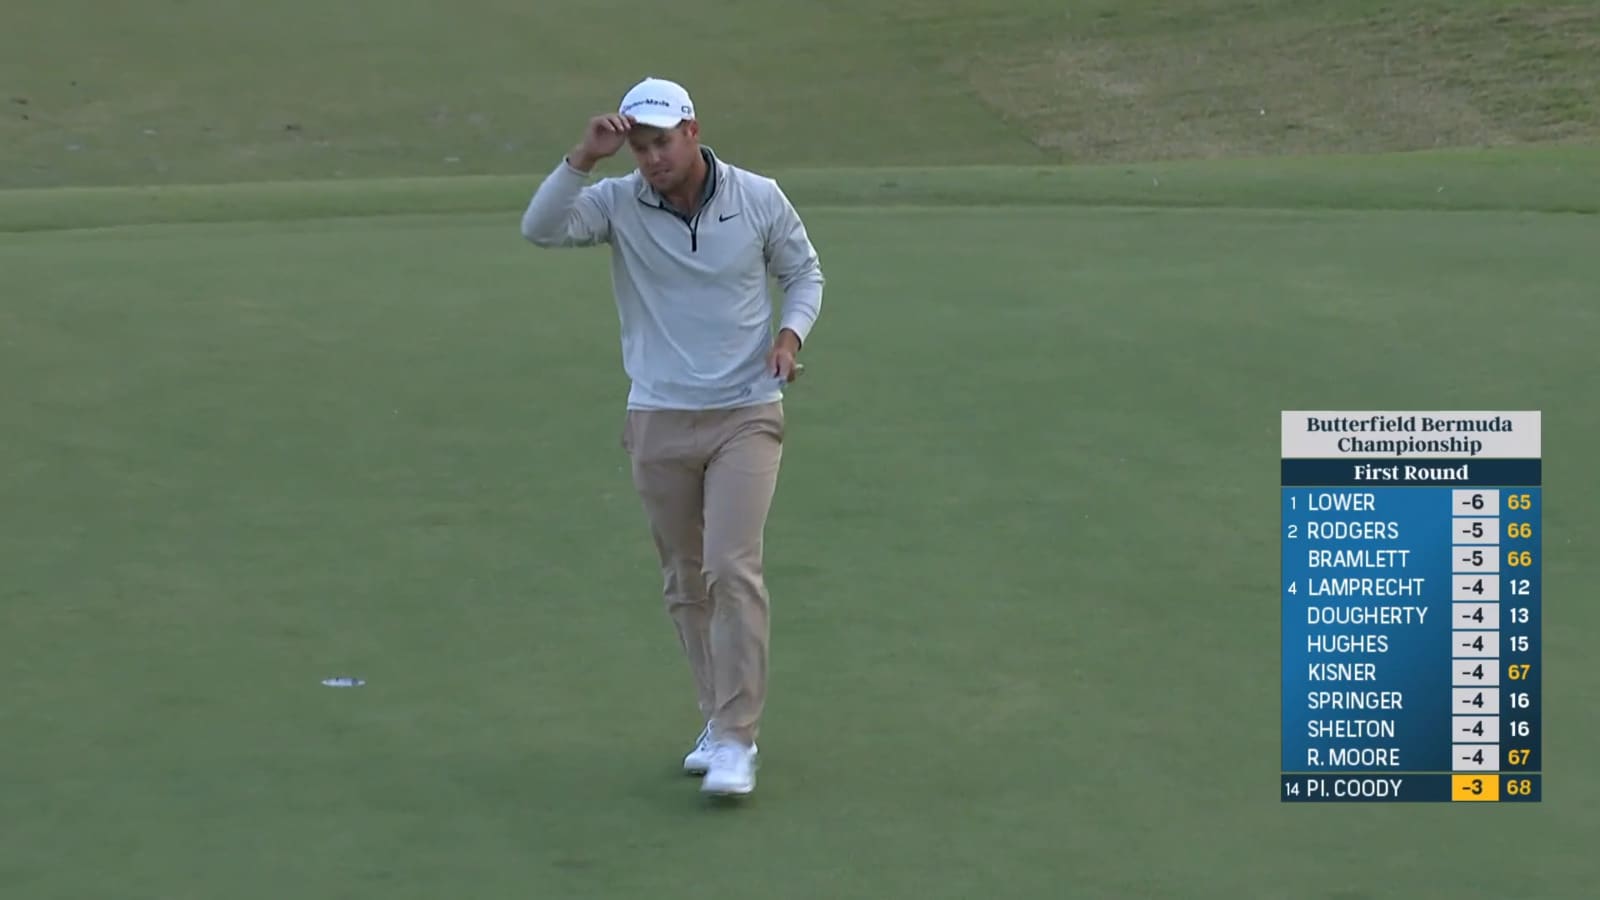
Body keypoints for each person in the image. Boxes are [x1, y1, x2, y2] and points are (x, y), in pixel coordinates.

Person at [519, 76, 825, 797]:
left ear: (692, 131)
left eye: (661, 142)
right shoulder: (617, 202)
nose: (651, 158)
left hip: (746, 410)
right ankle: (717, 721)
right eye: (639, 145)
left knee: (730, 567)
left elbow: (803, 271)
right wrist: (583, 159)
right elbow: (541, 228)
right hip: (657, 413)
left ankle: (737, 740)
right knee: (685, 580)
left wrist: (788, 335)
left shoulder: (756, 196)